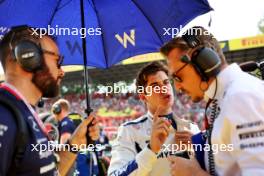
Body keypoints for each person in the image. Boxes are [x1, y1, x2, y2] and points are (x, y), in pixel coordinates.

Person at [160, 26, 264, 175]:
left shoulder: (240, 97)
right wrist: (198, 141)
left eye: (178, 76)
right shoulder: (224, 97)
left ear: (204, 62)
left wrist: (195, 174)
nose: (177, 86)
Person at [0, 25, 99, 176]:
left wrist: (74, 144)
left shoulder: (23, 112)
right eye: (57, 60)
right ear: (28, 56)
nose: (62, 71)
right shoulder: (4, 116)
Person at [107, 61, 200, 176]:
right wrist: (151, 149)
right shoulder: (129, 131)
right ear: (142, 96)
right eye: (155, 86)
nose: (163, 88)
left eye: (166, 82)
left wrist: (199, 147)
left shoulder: (192, 128)